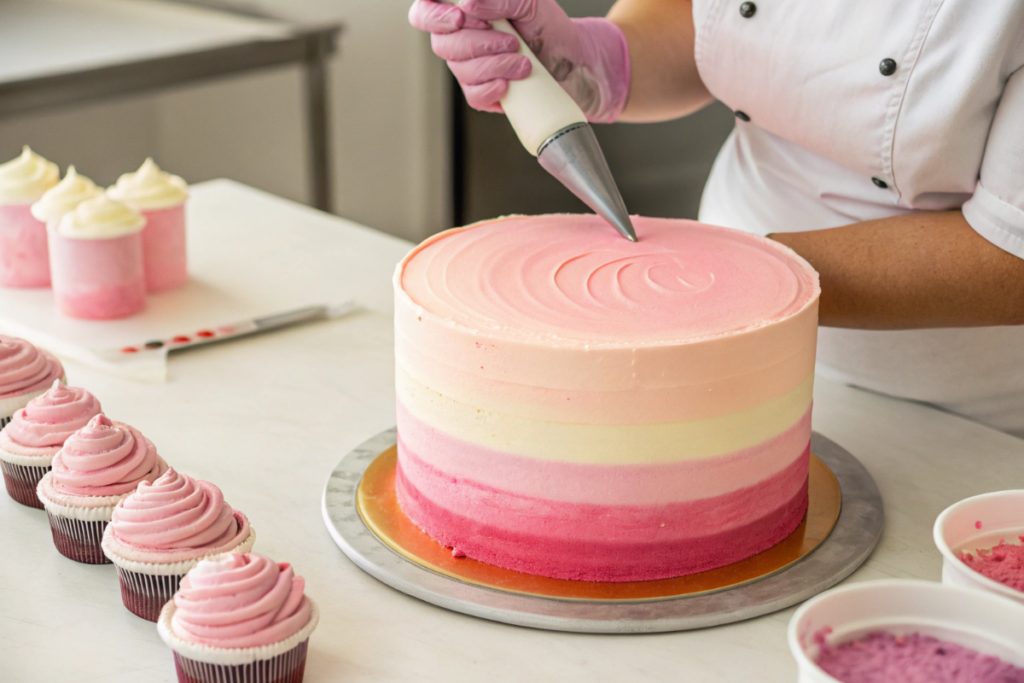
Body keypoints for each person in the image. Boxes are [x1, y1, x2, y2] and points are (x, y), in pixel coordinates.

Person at [409, 0, 1024, 437]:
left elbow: (1007, 260)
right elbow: (705, 17)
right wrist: (588, 59)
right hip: (717, 371)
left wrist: (715, 276)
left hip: (956, 421)